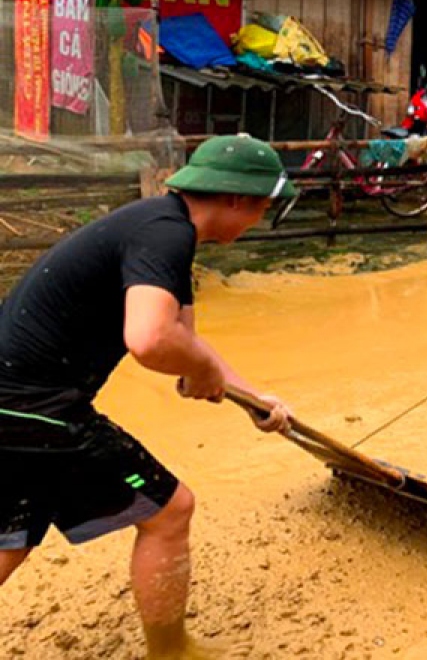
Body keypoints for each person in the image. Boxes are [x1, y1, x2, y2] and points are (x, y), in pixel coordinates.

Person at [0, 135, 294, 660]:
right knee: (170, 511)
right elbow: (151, 340)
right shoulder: (166, 235)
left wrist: (253, 399)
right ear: (235, 200)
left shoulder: (158, 229)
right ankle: (170, 653)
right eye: (261, 210)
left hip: (14, 402)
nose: (256, 222)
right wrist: (197, 367)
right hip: (35, 405)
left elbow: (184, 341)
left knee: (11, 539)